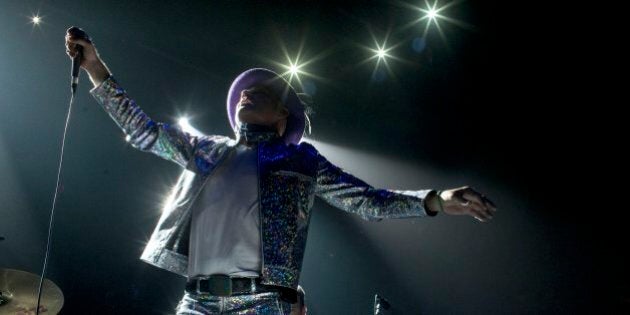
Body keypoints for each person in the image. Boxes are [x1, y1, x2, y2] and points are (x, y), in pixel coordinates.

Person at [65, 26, 496, 314]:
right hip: (196, 303)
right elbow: (143, 131)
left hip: (262, 304)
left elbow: (368, 201)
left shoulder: (301, 160)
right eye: (243, 95)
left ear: (282, 118)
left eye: (260, 95)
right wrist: (94, 66)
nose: (246, 96)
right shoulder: (205, 149)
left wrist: (435, 200)